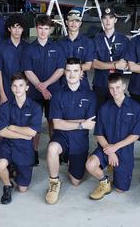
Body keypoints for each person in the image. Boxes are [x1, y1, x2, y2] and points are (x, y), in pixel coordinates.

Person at [45, 58, 97, 204]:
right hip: (61, 137)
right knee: (52, 148)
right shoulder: (57, 94)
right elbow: (57, 124)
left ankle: (80, 158)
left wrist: (66, 122)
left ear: (81, 73)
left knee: (75, 181)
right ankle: (54, 183)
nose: (71, 74)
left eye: (75, 70)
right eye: (68, 70)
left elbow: (91, 124)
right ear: (64, 73)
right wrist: (81, 124)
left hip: (79, 141)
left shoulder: (90, 95)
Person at [85, 73, 140, 200]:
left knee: (121, 189)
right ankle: (104, 182)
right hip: (106, 147)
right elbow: (99, 134)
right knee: (90, 165)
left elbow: (136, 134)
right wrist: (110, 151)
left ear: (124, 86)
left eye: (117, 87)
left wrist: (115, 148)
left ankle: (116, 171)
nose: (114, 91)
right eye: (111, 88)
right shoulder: (104, 108)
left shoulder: (136, 108)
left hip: (124, 150)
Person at [21, 15, 65, 164]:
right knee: (34, 123)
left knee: (54, 122)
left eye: (46, 28)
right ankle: (33, 152)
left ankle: (55, 151)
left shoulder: (57, 48)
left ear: (50, 29)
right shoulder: (29, 49)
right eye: (40, 28)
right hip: (34, 92)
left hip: (54, 91)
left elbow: (60, 69)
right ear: (36, 28)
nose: (43, 31)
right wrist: (41, 87)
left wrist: (45, 85)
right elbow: (28, 71)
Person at [0, 72, 43, 204]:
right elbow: (3, 132)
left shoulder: (36, 107)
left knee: (23, 189)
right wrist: (24, 135)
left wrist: (12, 127)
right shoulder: (5, 107)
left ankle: (15, 169)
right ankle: (7, 185)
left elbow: (33, 132)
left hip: (25, 148)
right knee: (0, 165)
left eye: (21, 85)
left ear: (27, 87)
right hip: (8, 144)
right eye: (14, 86)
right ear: (11, 88)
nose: (17, 89)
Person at [92, 7, 129, 107]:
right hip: (100, 84)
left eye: (111, 18)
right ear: (102, 20)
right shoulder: (95, 40)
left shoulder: (124, 39)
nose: (108, 21)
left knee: (117, 114)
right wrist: (115, 65)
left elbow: (124, 63)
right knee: (99, 114)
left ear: (115, 20)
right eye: (105, 18)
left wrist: (103, 64)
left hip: (117, 85)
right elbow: (94, 64)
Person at [0, 14, 28, 105]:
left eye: (20, 27)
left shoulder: (27, 47)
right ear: (9, 29)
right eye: (14, 27)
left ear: (23, 29)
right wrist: (2, 93)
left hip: (23, 90)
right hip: (6, 90)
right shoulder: (1, 47)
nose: (17, 31)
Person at [58, 9, 95, 89]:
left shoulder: (88, 42)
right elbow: (58, 65)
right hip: (63, 83)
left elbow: (88, 65)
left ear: (80, 23)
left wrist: (73, 74)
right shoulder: (59, 43)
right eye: (71, 21)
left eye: (77, 21)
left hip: (82, 82)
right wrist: (72, 73)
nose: (74, 24)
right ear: (66, 22)